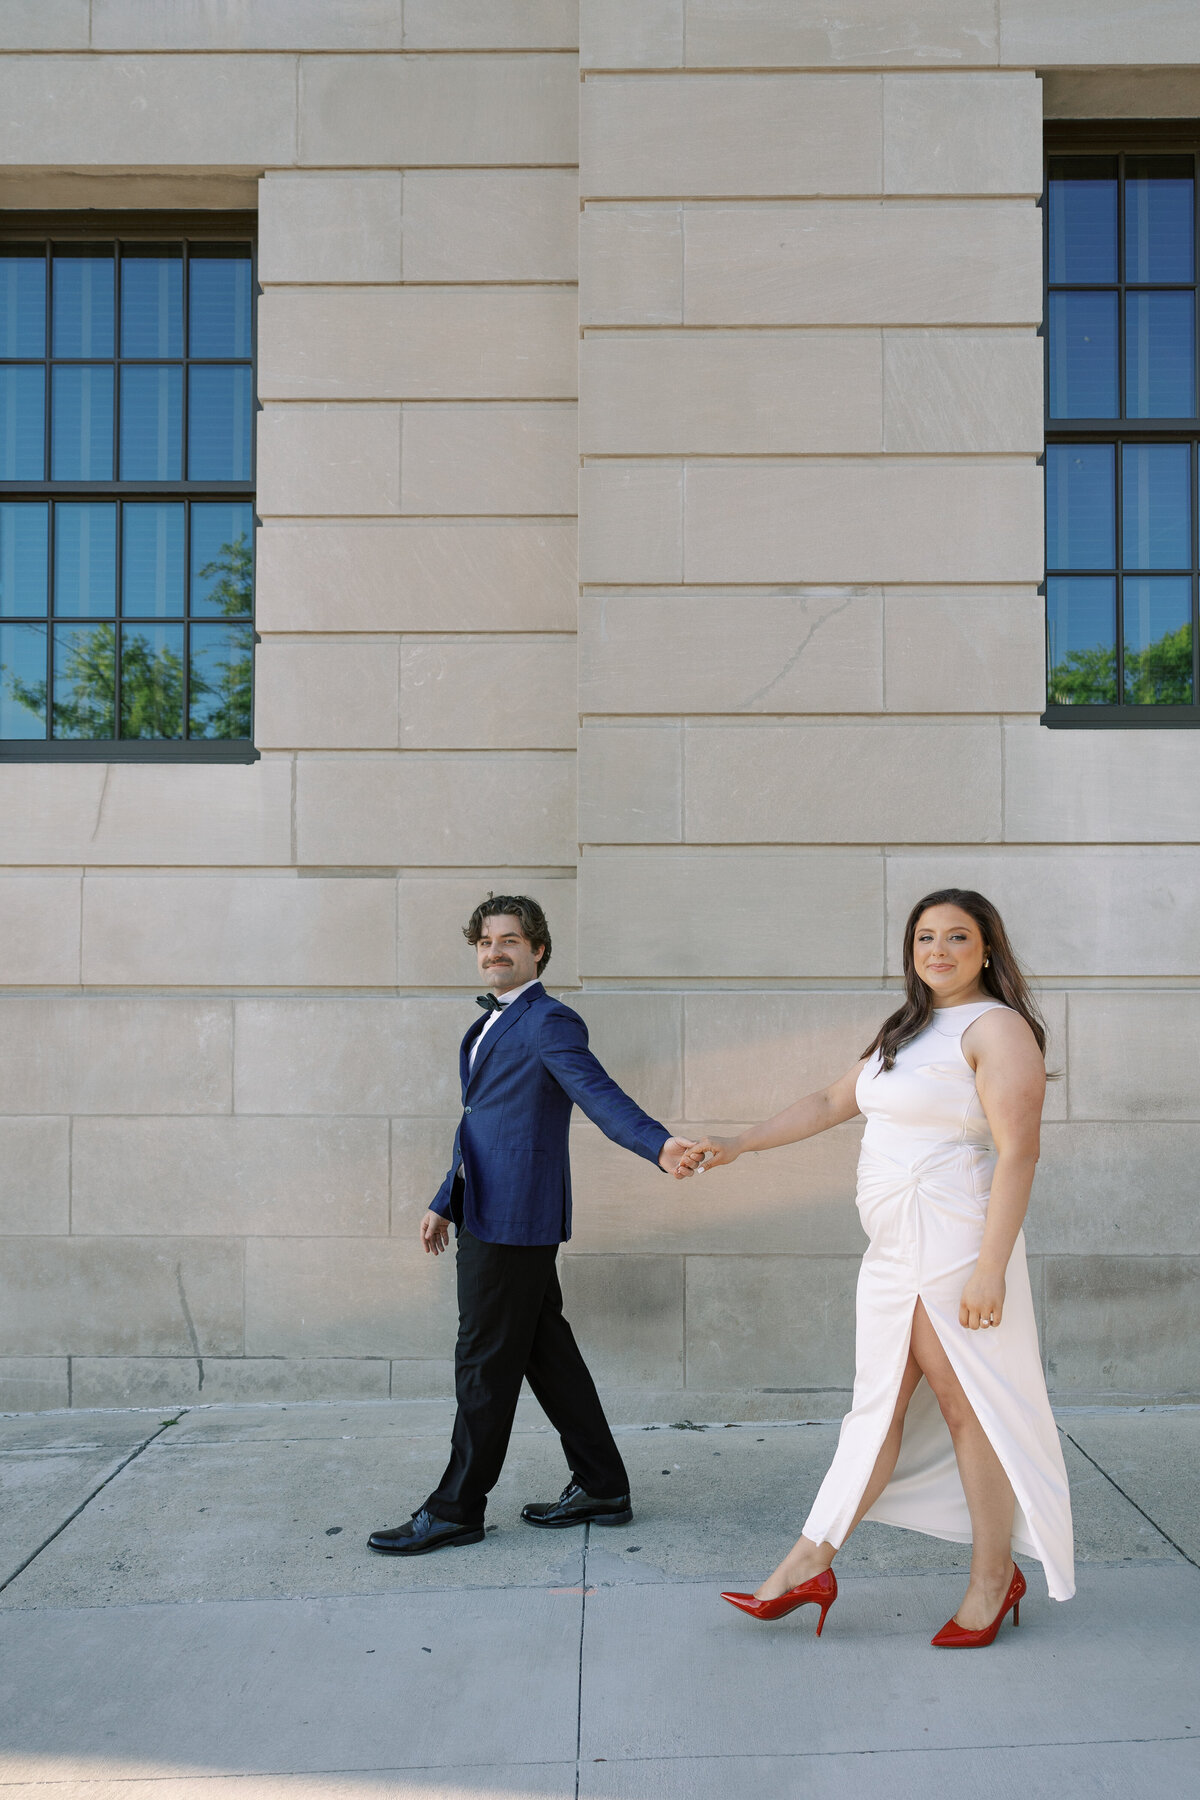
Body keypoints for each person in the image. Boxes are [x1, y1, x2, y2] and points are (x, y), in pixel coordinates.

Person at [680, 888, 1074, 1646]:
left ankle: (988, 1579)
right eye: (925, 937)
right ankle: (811, 1561)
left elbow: (1019, 1152)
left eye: (957, 938)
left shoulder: (999, 1030)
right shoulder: (908, 1028)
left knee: (969, 1409)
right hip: (894, 1254)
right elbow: (833, 1099)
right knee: (878, 1409)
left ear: (987, 948)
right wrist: (738, 1144)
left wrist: (990, 1269)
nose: (938, 951)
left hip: (957, 1246)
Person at [368, 894, 695, 1557]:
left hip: (515, 1222)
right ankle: (602, 1485)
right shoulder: (490, 1026)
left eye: (510, 940)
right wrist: (445, 1198)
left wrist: (658, 1145)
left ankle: (456, 1508)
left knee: (483, 1364)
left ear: (538, 949)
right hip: (487, 1209)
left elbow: (600, 1094)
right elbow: (481, 1126)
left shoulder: (550, 1021)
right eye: (485, 941)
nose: (494, 951)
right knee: (547, 1358)